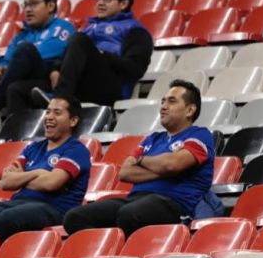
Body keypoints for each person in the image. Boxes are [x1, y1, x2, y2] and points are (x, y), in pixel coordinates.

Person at [63, 80, 214, 237]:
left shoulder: (200, 135)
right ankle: (108, 248)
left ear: (190, 110)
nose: (163, 106)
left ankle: (124, 254)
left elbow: (172, 164)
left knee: (130, 214)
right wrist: (165, 170)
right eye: (163, 101)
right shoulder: (153, 139)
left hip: (174, 204)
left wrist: (142, 160)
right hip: (136, 200)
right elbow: (125, 172)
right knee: (74, 217)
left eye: (171, 101)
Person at [0, 94, 91, 241]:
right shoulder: (33, 148)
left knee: (9, 219)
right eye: (48, 111)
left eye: (57, 112)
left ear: (73, 120)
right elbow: (5, 182)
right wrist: (39, 173)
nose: (49, 116)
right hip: (17, 203)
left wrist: (22, 176)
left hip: (53, 208)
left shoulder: (76, 150)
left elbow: (51, 183)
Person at [32, 0, 153, 108]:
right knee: (18, 89)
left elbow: (135, 68)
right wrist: (55, 70)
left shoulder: (135, 30)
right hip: (82, 84)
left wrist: (103, 55)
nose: (100, 3)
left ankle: (59, 98)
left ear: (123, 3)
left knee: (79, 39)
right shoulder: (89, 28)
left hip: (111, 89)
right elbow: (68, 57)